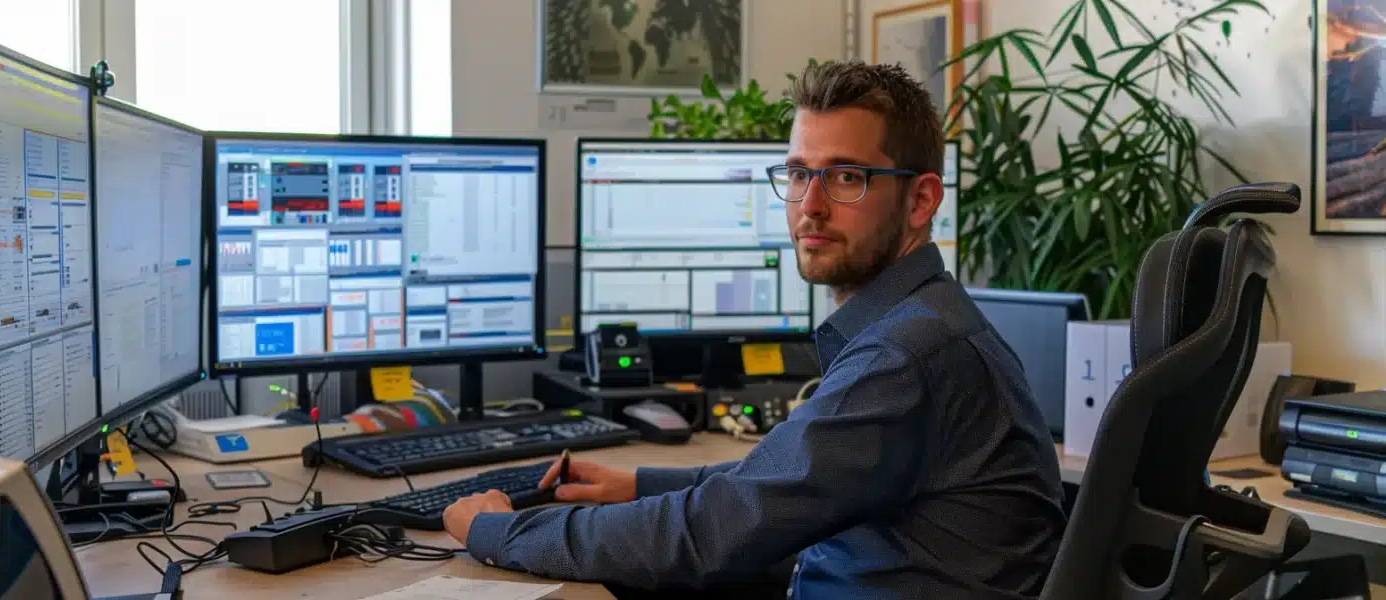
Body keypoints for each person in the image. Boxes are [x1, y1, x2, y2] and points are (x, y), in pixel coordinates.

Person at [442, 60, 1067, 599]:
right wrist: (637, 483)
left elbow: (712, 533)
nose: (810, 206)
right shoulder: (920, 322)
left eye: (847, 177)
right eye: (798, 174)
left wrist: (497, 530)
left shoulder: (909, 354)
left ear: (922, 200)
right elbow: (780, 482)